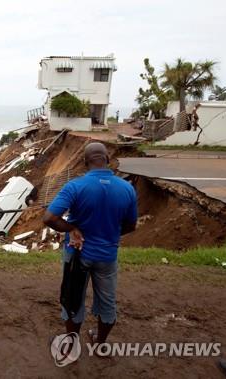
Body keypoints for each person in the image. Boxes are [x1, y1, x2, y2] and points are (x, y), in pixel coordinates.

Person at [43, 142, 137, 350]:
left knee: (73, 299)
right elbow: (131, 225)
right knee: (107, 302)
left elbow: (49, 218)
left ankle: (70, 346)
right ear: (107, 160)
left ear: (85, 162)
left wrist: (72, 229)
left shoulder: (75, 186)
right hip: (107, 256)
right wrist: (111, 232)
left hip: (77, 254)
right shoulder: (127, 188)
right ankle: (100, 343)